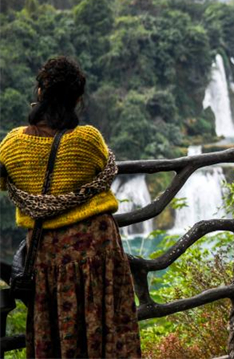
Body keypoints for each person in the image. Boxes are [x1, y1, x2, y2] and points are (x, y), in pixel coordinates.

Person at [0, 57, 141, 358]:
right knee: (106, 324)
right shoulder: (88, 139)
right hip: (97, 250)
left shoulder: (11, 144)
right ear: (78, 98)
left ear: (39, 93)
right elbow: (104, 169)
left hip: (47, 255)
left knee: (54, 327)